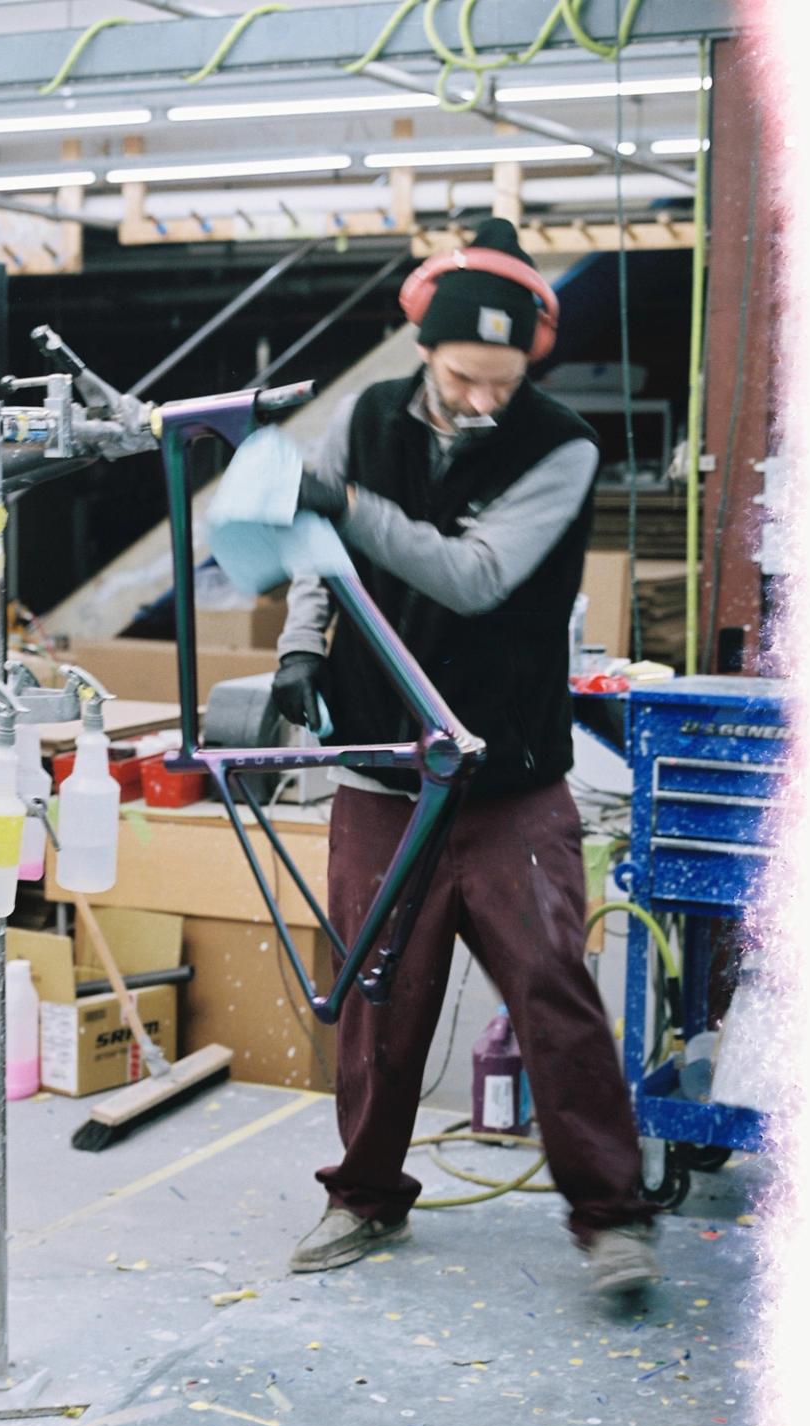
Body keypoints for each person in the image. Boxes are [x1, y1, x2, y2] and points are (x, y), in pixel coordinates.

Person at [271, 216, 660, 1296]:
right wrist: (302, 651)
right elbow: (318, 549)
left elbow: (475, 574)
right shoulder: (365, 416)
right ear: (423, 352)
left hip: (510, 776)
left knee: (552, 988)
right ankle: (363, 1196)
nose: (483, 400)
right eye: (462, 377)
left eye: (501, 380)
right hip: (383, 767)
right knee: (377, 999)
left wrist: (343, 502)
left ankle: (612, 1217)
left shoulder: (563, 445)